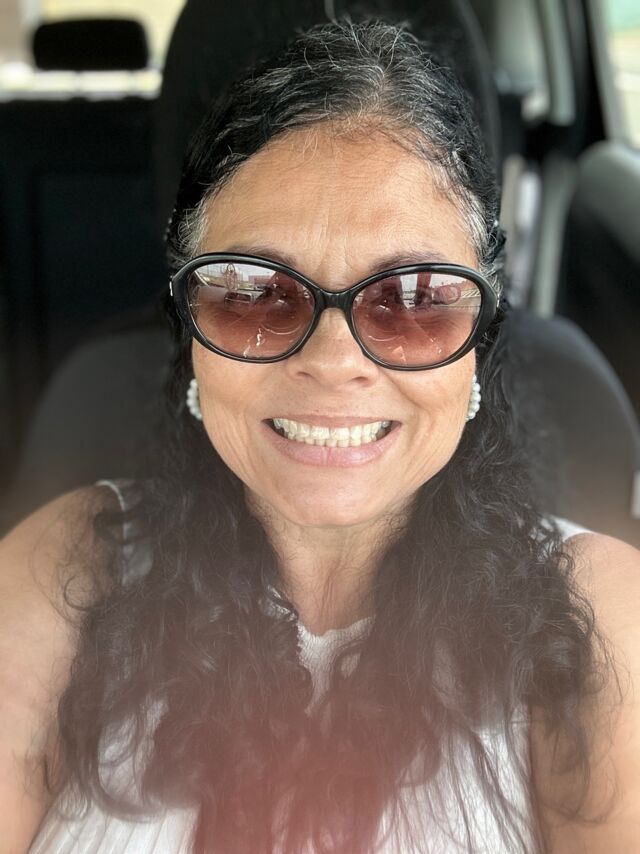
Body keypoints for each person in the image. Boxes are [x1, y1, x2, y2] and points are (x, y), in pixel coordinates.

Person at [2, 20, 639, 854]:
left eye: (413, 298)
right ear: (189, 328)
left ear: (479, 342)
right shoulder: (65, 573)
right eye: (255, 292)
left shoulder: (598, 620)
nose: (335, 363)